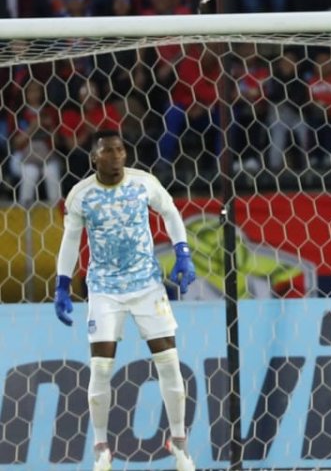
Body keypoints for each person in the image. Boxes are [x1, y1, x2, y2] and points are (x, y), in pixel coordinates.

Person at [53, 130, 198, 471]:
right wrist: (61, 285)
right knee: (101, 368)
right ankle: (102, 448)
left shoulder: (143, 183)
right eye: (107, 151)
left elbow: (171, 212)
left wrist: (183, 253)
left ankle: (179, 445)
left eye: (120, 149)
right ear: (94, 158)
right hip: (104, 289)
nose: (116, 156)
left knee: (169, 362)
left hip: (147, 285)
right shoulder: (81, 196)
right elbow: (71, 241)